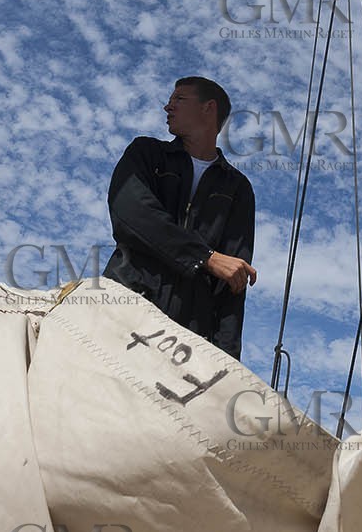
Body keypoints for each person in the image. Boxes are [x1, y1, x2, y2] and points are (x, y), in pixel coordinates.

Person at [104, 77, 256, 358]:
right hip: (124, 310)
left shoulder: (237, 187)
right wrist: (205, 256)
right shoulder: (147, 153)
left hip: (188, 341)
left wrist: (226, 362)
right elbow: (130, 214)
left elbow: (234, 279)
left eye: (178, 100)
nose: (167, 107)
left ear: (207, 108)